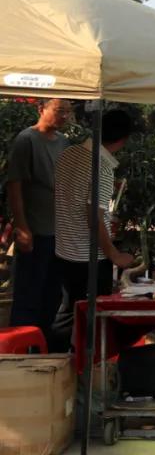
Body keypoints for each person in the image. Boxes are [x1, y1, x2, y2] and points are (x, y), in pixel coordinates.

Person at [53, 109, 136, 344]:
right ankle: (84, 362)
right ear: (123, 140)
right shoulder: (101, 166)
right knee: (92, 318)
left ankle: (59, 357)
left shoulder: (68, 153)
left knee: (68, 312)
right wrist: (115, 254)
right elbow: (93, 217)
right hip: (88, 255)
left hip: (63, 247)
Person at [5, 98, 71, 340]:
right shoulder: (27, 140)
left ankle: (44, 343)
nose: (64, 116)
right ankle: (21, 345)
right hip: (36, 228)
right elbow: (15, 185)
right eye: (59, 111)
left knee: (52, 293)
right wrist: (22, 226)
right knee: (28, 292)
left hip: (59, 230)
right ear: (41, 109)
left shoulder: (63, 142)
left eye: (67, 112)